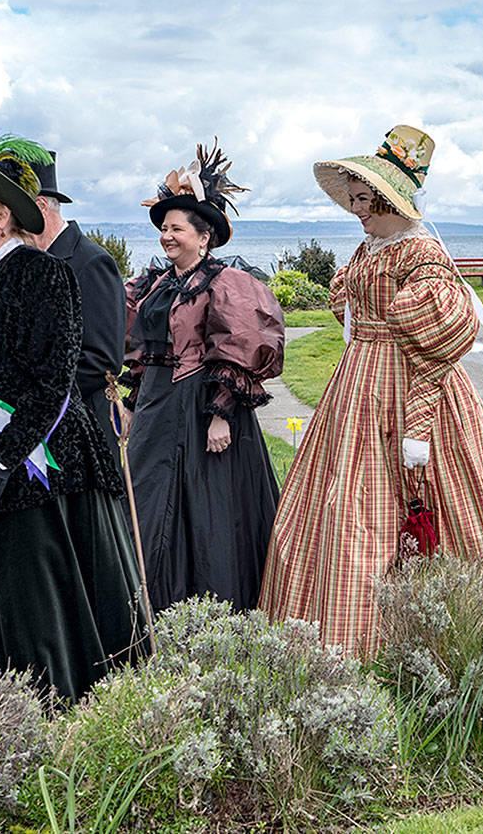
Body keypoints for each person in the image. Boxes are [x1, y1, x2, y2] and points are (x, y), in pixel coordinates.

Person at [259, 125, 483, 657]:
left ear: (389, 197)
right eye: (354, 198)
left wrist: (400, 314)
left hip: (410, 383)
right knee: (347, 504)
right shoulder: (373, 248)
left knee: (437, 498)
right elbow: (352, 308)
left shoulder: (421, 254)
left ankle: (459, 631)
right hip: (358, 387)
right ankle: (340, 640)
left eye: (362, 198)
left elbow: (442, 334)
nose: (355, 209)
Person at [0, 135, 149, 702]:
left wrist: (2, 453)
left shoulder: (41, 274)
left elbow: (55, 380)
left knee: (28, 602)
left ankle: (51, 710)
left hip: (30, 472)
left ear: (1, 216)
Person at [121, 142, 284, 612]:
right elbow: (143, 350)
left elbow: (236, 348)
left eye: (176, 229)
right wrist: (133, 403)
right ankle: (147, 609)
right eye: (164, 229)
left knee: (207, 510)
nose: (167, 236)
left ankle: (213, 610)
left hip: (201, 407)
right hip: (156, 408)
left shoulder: (225, 283)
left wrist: (221, 415)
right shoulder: (153, 284)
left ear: (203, 236)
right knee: (147, 500)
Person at [24, 150, 126, 457]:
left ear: (40, 206)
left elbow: (103, 360)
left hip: (84, 426)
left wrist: (35, 395)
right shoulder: (31, 262)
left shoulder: (91, 262)